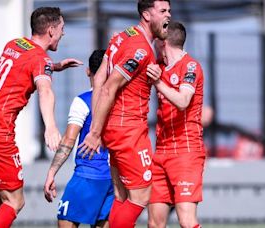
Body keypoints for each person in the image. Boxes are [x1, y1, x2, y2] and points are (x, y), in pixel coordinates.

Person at [0, 7, 83, 227]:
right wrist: (50, 126)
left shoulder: (14, 44)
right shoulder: (41, 60)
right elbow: (45, 91)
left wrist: (54, 67)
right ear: (51, 30)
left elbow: (23, 67)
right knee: (14, 202)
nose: (63, 33)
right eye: (61, 28)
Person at [78, 1, 171, 227]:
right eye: (163, 11)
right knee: (141, 196)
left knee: (121, 196)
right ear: (147, 15)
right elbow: (109, 86)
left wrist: (99, 127)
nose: (169, 15)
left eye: (169, 10)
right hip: (128, 131)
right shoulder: (138, 49)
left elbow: (99, 79)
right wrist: (94, 132)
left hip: (115, 128)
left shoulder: (122, 37)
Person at [43, 49, 114, 228]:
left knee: (65, 220)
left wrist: (51, 173)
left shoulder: (83, 101)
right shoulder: (119, 101)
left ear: (88, 71)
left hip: (88, 176)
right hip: (113, 179)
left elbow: (69, 139)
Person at [146, 21, 206, 228]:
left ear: (163, 42)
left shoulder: (190, 66)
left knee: (186, 221)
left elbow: (183, 101)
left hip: (186, 152)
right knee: (154, 222)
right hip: (161, 152)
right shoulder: (159, 66)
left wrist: (158, 83)